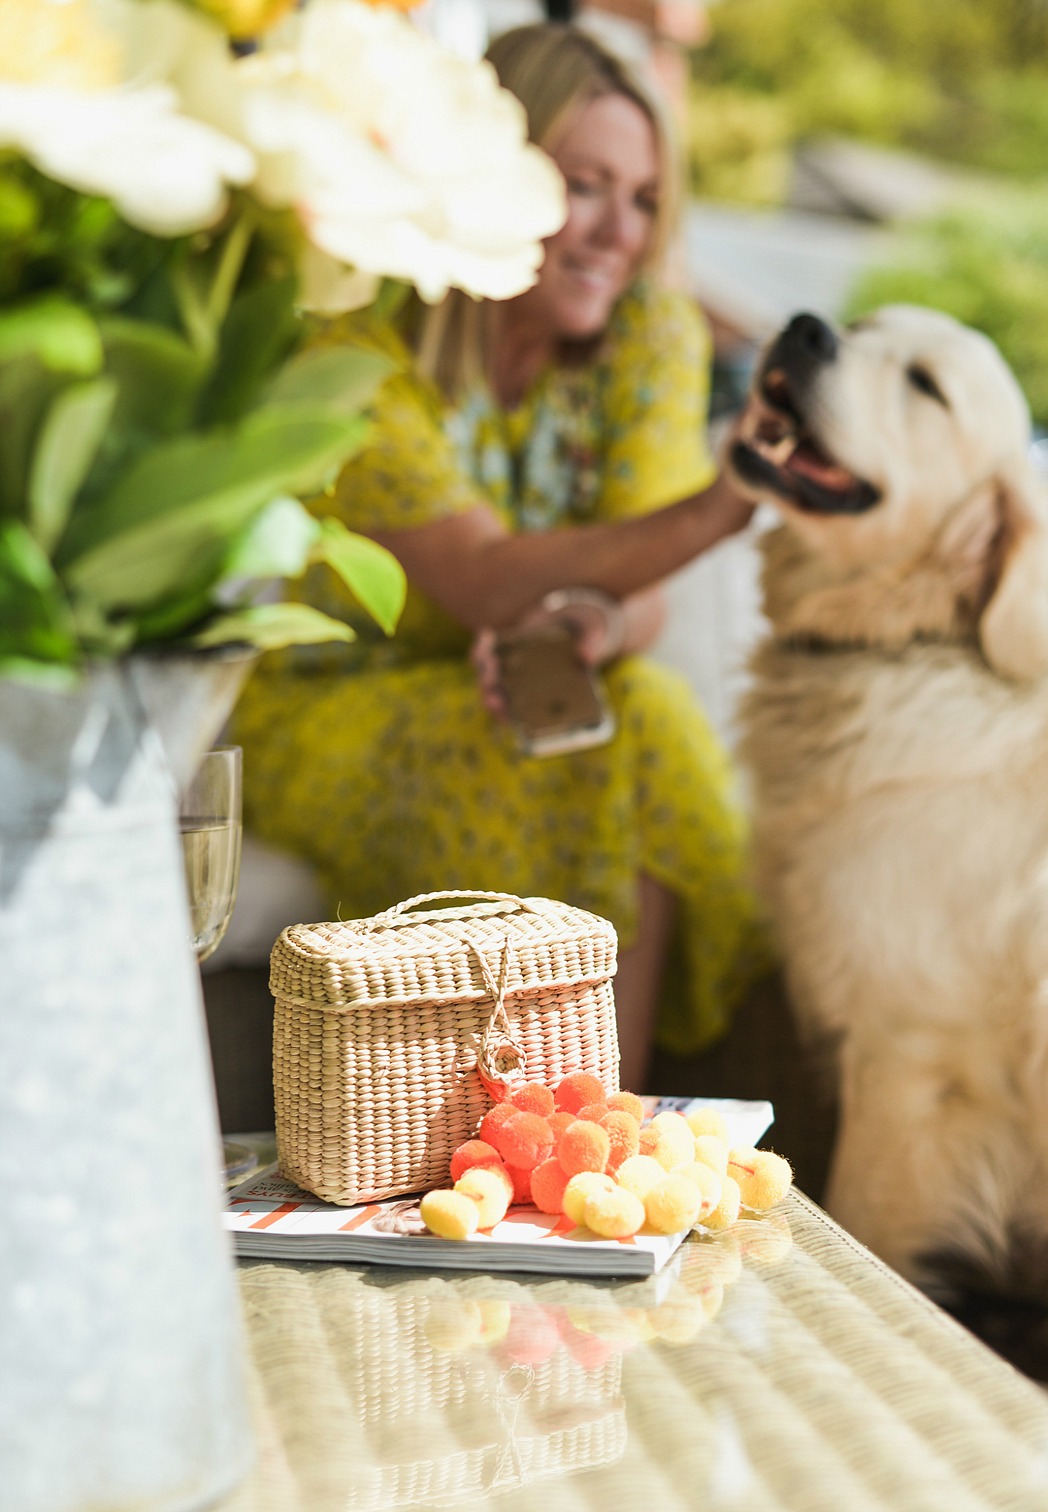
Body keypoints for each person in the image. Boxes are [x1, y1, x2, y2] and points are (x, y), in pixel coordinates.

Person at [231, 22, 769, 1089]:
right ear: (501, 179)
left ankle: (599, 1126)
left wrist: (595, 622)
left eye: (647, 198)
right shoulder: (358, 334)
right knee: (598, 752)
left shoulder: (649, 332)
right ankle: (585, 1129)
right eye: (586, 184)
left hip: (528, 687)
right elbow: (477, 576)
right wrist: (730, 501)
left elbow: (641, 589)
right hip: (329, 701)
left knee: (639, 721)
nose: (620, 230)